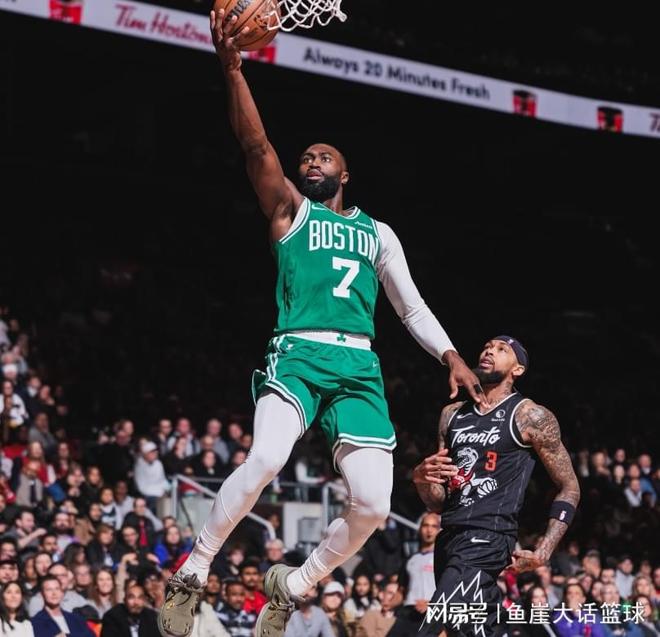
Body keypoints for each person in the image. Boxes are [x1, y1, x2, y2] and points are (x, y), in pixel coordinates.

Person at [157, 9, 486, 637]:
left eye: (323, 156)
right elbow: (256, 146)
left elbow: (411, 307)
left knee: (375, 504)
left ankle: (295, 583)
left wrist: (450, 355)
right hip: (299, 353)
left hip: (359, 366)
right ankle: (193, 570)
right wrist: (233, 69)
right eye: (305, 156)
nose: (311, 160)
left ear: (345, 173)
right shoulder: (289, 211)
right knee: (265, 458)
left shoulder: (377, 233)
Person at [413, 336, 581, 636]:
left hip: (490, 535)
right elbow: (437, 502)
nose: (490, 350)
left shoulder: (530, 416)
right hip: (449, 536)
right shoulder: (451, 414)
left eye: (502, 349)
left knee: (435, 618)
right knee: (469, 630)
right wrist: (421, 479)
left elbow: (570, 487)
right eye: (488, 346)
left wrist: (544, 551)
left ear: (518, 369)